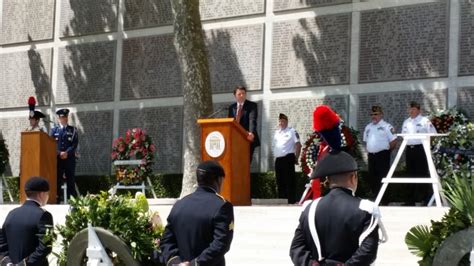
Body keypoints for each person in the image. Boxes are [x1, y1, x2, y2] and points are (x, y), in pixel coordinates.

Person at [290, 151, 380, 265]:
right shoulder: (365, 208)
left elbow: (296, 249)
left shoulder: (310, 207)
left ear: (328, 180)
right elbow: (368, 251)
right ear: (353, 177)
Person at [160, 160, 234, 266]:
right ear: (218, 180)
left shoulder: (180, 204)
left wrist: (176, 263)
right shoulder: (222, 206)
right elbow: (221, 244)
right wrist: (195, 263)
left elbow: (166, 241)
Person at [0, 176, 54, 266]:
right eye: (47, 193)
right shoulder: (44, 215)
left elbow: (2, 242)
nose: (47, 196)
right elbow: (45, 247)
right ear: (41, 194)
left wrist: (8, 262)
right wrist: (23, 264)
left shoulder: (12, 214)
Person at [401, 101, 437, 204]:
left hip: (421, 149)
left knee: (422, 173)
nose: (411, 111)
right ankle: (410, 200)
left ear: (419, 110)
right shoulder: (406, 122)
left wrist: (427, 145)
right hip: (409, 149)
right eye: (410, 109)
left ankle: (425, 200)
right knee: (410, 174)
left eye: (414, 109)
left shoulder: (424, 121)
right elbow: (403, 135)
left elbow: (433, 134)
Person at [363, 106, 397, 196]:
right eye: (372, 114)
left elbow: (393, 141)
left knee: (383, 176)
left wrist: (386, 151)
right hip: (371, 155)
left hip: (383, 155)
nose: (374, 116)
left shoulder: (387, 126)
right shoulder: (368, 127)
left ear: (381, 115)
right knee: (372, 176)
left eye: (376, 114)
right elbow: (366, 141)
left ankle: (384, 199)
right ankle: (375, 196)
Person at [49, 108, 78, 203]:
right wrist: (59, 153)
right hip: (58, 159)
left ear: (67, 117)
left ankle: (73, 201)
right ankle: (57, 200)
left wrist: (66, 153)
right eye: (61, 117)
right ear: (58, 118)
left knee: (71, 180)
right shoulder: (54, 130)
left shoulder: (73, 130)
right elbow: (50, 144)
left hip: (69, 159)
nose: (64, 119)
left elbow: (74, 144)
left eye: (65, 117)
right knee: (57, 180)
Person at [272, 113, 301, 204]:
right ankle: (281, 200)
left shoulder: (292, 131)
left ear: (287, 122)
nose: (281, 123)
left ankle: (291, 201)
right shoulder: (277, 132)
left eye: (283, 121)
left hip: (288, 158)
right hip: (279, 159)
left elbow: (298, 145)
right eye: (280, 121)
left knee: (289, 181)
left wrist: (296, 157)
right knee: (279, 181)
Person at [227, 86, 260, 162]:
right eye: (239, 94)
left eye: (243, 93)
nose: (242, 95)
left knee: (245, 163)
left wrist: (251, 133)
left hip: (247, 138)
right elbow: (230, 123)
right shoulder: (232, 107)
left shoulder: (252, 105)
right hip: (234, 141)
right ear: (235, 95)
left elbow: (252, 120)